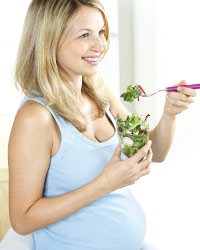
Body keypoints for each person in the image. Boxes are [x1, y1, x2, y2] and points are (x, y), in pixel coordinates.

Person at [8, 0, 196, 250]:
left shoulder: (98, 92)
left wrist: (170, 114)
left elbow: (156, 153)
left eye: (101, 33)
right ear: (49, 40)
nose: (100, 46)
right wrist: (106, 183)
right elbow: (22, 220)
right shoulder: (36, 117)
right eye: (85, 35)